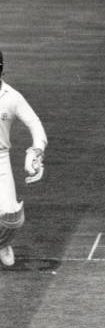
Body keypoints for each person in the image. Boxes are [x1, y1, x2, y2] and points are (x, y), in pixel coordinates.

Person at [0, 51, 48, 267]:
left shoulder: (11, 97)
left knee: (12, 219)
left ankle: (1, 243)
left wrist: (36, 151)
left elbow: (35, 123)